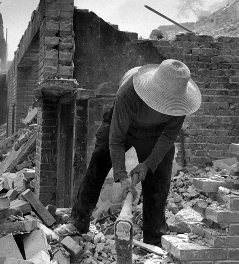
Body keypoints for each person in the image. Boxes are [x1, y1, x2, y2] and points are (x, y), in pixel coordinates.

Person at [56, 59, 201, 247]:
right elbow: (116, 140)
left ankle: (154, 238)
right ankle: (78, 221)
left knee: (159, 181)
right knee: (99, 158)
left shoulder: (181, 103)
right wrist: (122, 176)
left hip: (155, 136)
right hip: (123, 126)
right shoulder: (129, 92)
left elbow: (167, 138)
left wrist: (148, 165)